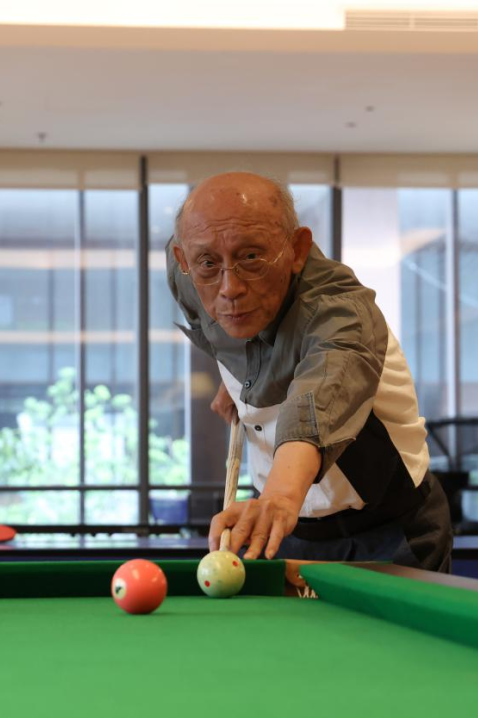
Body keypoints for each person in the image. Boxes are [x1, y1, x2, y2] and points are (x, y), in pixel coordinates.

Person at [166, 171, 453, 572]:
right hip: (285, 530)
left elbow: (316, 404)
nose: (229, 288)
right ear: (183, 261)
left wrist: (279, 497)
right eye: (208, 263)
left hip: (388, 530)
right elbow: (216, 328)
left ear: (297, 249)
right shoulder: (191, 272)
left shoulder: (342, 315)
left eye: (252, 257)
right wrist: (238, 377)